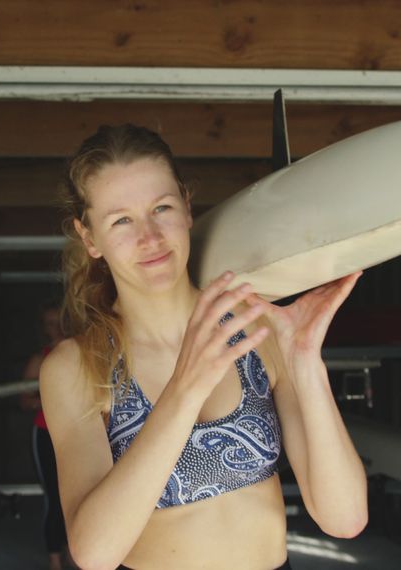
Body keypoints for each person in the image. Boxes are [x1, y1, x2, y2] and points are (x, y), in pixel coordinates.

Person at [39, 124, 367, 570]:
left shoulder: (259, 328)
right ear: (90, 238)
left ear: (187, 208)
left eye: (162, 208)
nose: (150, 237)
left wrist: (306, 363)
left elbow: (344, 519)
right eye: (121, 220)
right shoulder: (76, 366)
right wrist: (185, 389)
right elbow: (94, 554)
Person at [22, 303, 71, 569]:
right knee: (54, 497)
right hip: (46, 433)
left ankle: (73, 553)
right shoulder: (39, 360)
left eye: (59, 321)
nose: (56, 327)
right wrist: (52, 398)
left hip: (76, 435)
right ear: (44, 328)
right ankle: (55, 561)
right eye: (50, 323)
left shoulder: (81, 352)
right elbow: (25, 401)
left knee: (78, 494)